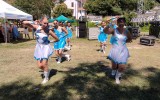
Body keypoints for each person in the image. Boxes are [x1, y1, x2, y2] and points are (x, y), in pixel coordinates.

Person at [23, 17, 59, 84]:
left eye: (47, 23)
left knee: (44, 64)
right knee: (40, 66)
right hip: (38, 47)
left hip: (46, 48)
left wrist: (50, 41)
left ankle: (46, 78)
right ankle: (47, 70)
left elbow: (57, 39)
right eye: (44, 23)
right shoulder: (37, 27)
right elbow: (25, 23)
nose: (46, 24)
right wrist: (34, 22)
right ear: (40, 22)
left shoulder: (49, 31)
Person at [104, 17, 132, 84]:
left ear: (124, 23)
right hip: (115, 50)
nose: (121, 24)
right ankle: (113, 73)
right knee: (114, 66)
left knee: (122, 67)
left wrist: (123, 42)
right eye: (120, 23)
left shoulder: (127, 31)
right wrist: (108, 25)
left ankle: (117, 77)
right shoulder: (114, 30)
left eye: (122, 22)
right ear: (117, 23)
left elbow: (130, 39)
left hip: (123, 51)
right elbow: (105, 31)